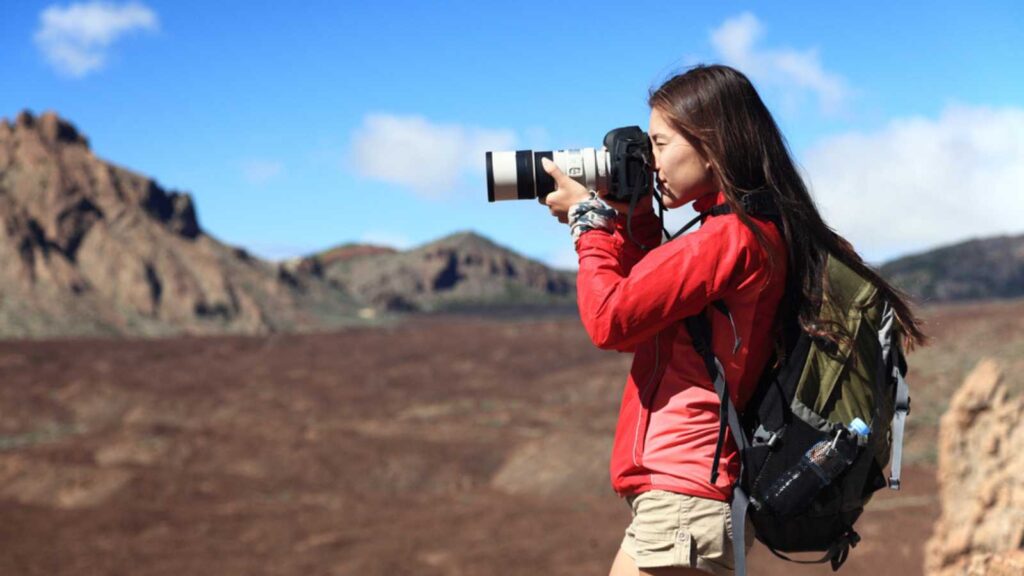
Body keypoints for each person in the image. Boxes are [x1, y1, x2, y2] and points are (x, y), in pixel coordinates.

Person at [540, 64, 926, 576]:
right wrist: (634, 219)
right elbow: (644, 317)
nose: (650, 161)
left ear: (711, 145)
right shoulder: (746, 231)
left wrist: (589, 226)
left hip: (684, 500)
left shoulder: (729, 238)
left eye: (660, 144)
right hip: (686, 502)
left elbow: (609, 320)